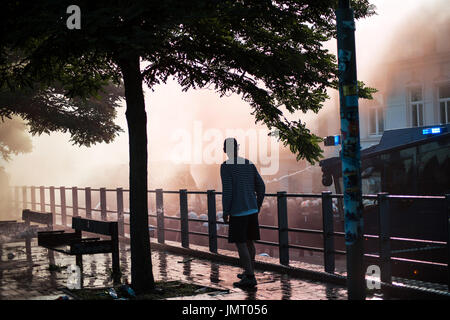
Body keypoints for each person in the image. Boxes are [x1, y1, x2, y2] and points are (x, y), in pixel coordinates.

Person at [220, 138, 265, 288]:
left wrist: (226, 211)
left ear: (225, 150)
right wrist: (257, 204)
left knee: (241, 244)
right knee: (250, 242)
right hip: (252, 210)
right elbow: (261, 186)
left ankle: (250, 276)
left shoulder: (226, 167)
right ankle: (249, 271)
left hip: (238, 212)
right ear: (237, 148)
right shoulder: (248, 163)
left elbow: (228, 191)